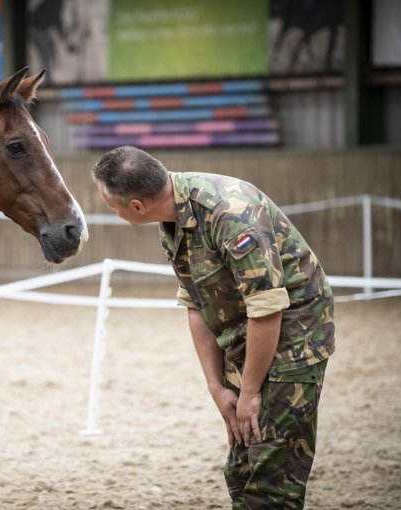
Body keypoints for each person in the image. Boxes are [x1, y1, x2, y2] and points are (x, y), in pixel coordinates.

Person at [91, 146, 335, 509]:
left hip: (293, 335)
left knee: (271, 477)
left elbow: (267, 308)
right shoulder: (172, 219)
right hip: (244, 336)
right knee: (240, 465)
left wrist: (250, 392)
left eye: (112, 205)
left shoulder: (230, 214)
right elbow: (195, 301)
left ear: (137, 206)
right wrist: (217, 386)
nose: (111, 210)